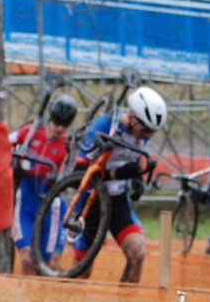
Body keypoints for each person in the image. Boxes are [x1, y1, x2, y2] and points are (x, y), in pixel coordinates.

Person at [72, 86, 167, 283]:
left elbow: (129, 159)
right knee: (82, 272)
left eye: (152, 133)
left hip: (118, 203)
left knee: (137, 253)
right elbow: (79, 173)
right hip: (92, 204)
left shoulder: (141, 134)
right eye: (145, 131)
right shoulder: (104, 126)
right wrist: (116, 173)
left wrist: (136, 177)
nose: (147, 136)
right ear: (132, 118)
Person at [9, 94, 77, 275]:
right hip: (26, 199)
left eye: (64, 125)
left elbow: (71, 174)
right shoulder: (30, 132)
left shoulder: (68, 146)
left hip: (52, 204)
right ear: (50, 119)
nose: (59, 128)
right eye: (56, 122)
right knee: (27, 259)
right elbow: (5, 141)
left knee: (49, 265)